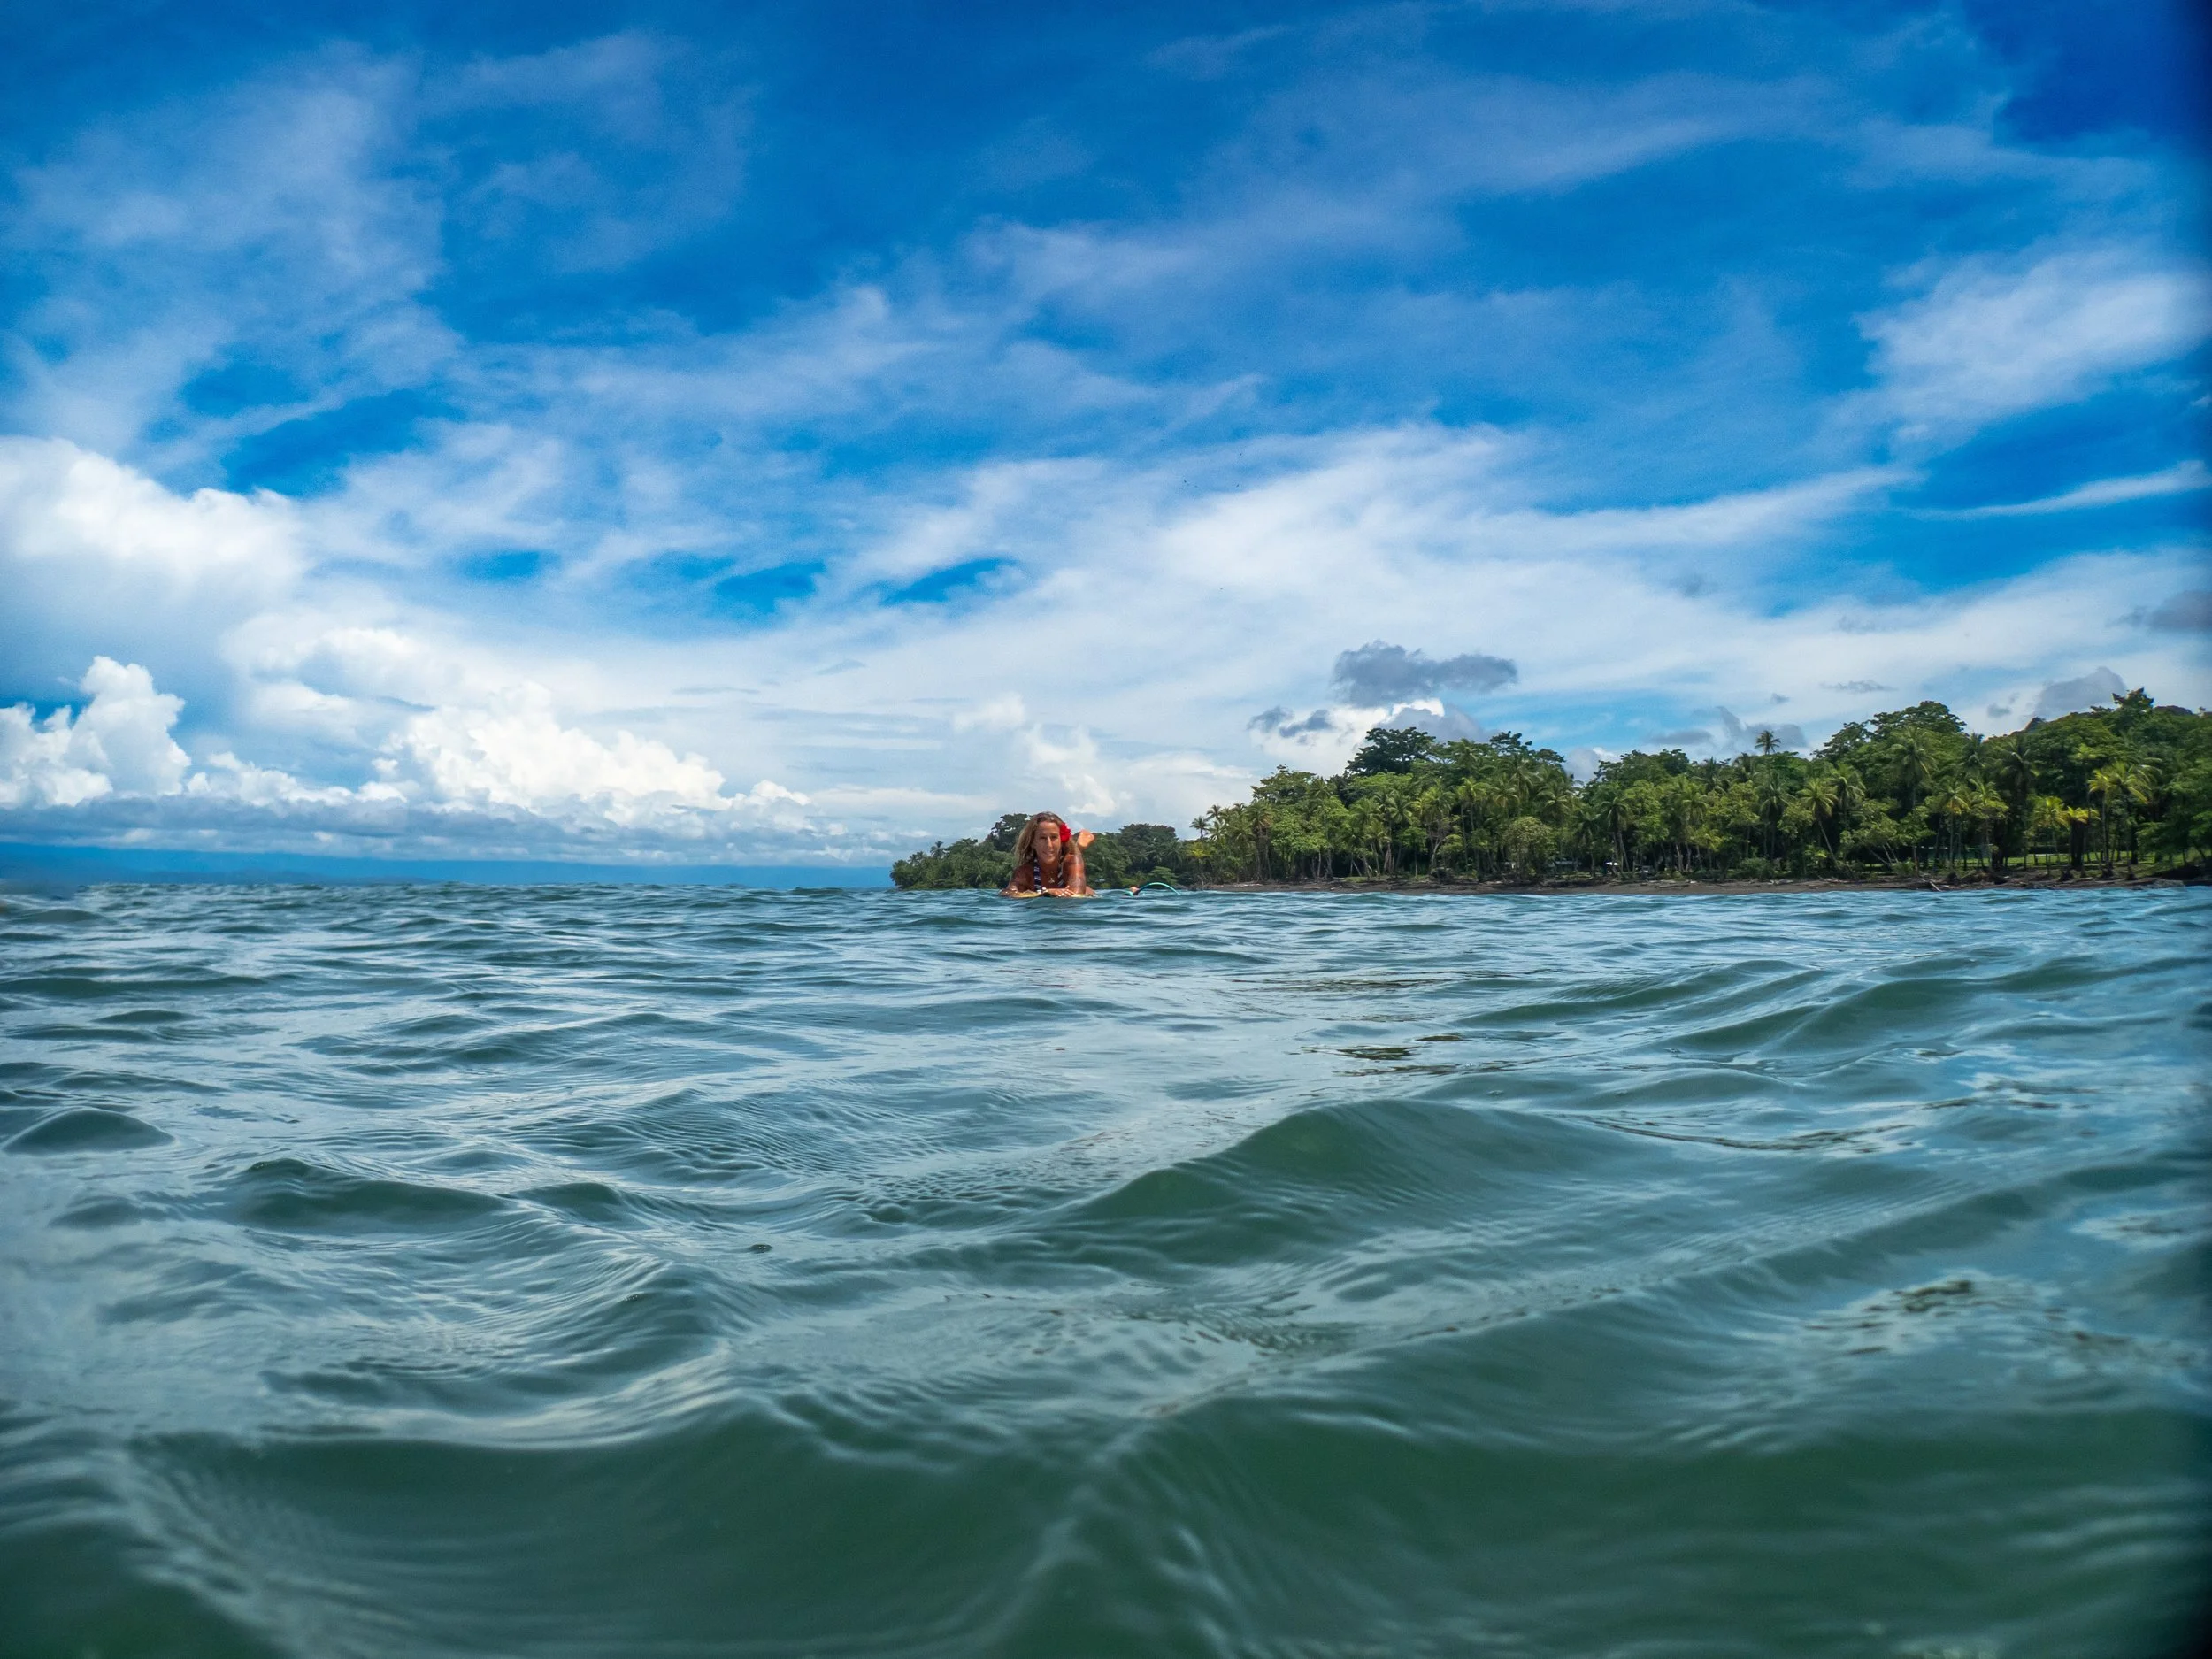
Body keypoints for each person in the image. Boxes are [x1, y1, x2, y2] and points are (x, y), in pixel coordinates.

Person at [1002, 811, 1095, 897]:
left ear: (1061, 841)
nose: (1049, 845)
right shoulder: (1024, 872)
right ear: (1032, 842)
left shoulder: (1071, 862)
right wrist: (1045, 892)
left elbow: (1077, 895)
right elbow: (1007, 894)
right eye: (1042, 838)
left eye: (1054, 837)